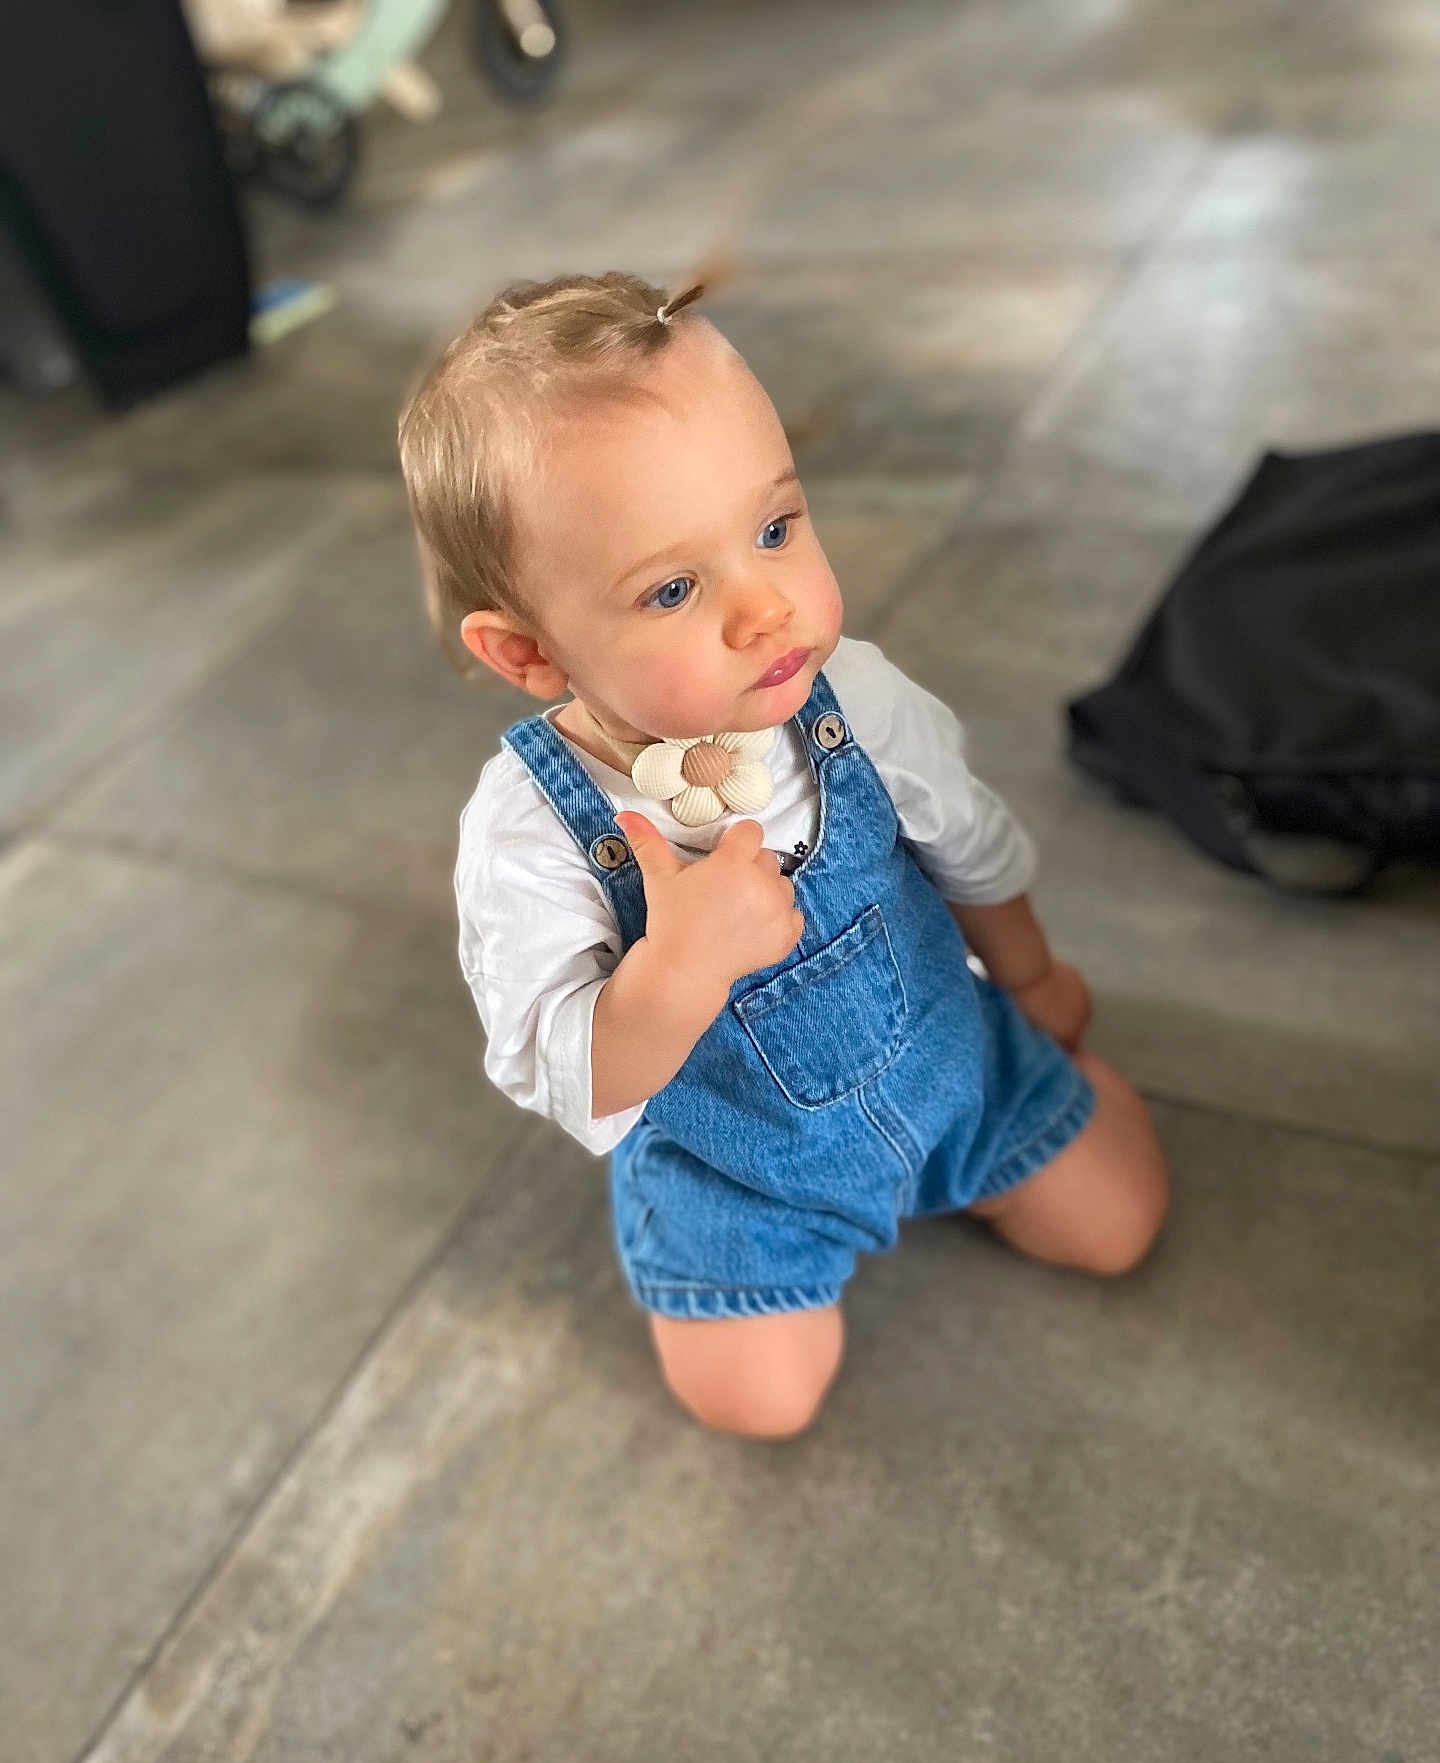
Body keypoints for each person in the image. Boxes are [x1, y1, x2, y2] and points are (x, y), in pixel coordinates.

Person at [398, 272, 1169, 1441]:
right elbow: (561, 1071)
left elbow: (968, 845)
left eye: (774, 529)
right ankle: (719, 1264)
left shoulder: (848, 695)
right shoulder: (530, 830)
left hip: (949, 1073)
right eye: (670, 587)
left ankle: (1020, 1127)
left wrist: (1031, 981)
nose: (768, 611)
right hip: (739, 1176)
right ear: (530, 653)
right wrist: (677, 972)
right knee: (761, 1402)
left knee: (1120, 1226)